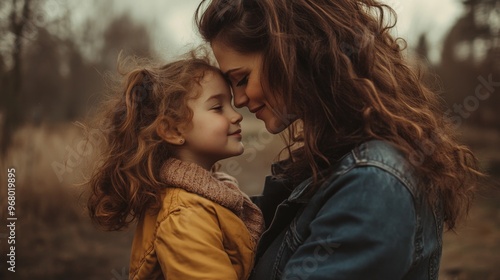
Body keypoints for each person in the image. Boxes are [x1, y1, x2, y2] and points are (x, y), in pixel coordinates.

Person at [196, 0, 481, 279]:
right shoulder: (327, 161)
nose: (240, 99)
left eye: (242, 78)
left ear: (293, 53)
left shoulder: (373, 182)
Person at [86, 54, 264, 279]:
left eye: (230, 103)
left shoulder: (214, 194)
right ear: (173, 131)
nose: (236, 115)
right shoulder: (184, 217)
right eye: (218, 107)